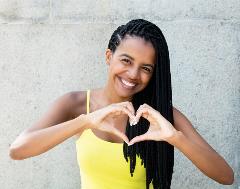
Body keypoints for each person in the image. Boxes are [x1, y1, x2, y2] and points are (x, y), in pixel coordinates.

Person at [9, 19, 234, 189]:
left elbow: (225, 176)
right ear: (109, 56)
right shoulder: (76, 103)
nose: (133, 74)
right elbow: (18, 149)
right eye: (126, 60)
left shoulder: (162, 115)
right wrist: (85, 121)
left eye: (146, 68)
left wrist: (175, 137)